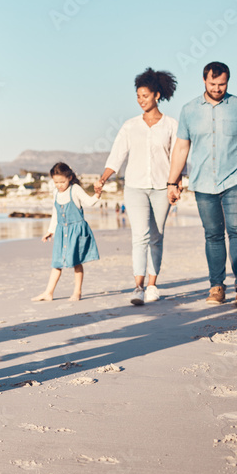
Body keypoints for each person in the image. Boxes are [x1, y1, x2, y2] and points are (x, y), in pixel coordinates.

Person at [167, 62, 237, 307]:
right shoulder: (189, 110)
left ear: (228, 81)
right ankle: (216, 286)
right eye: (213, 84)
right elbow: (181, 147)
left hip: (236, 179)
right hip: (203, 183)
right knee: (213, 235)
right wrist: (172, 181)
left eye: (222, 84)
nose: (217, 88)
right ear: (204, 80)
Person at [95, 68, 178, 306]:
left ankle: (153, 285)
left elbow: (177, 157)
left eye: (145, 95)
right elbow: (117, 155)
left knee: (156, 236)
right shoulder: (130, 126)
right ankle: (138, 287)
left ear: (157, 95)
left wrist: (177, 183)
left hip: (163, 188)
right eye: (138, 96)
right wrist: (103, 179)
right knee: (140, 235)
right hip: (135, 187)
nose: (141, 100)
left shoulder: (171, 125)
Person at [33, 162, 101, 302]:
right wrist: (50, 231)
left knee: (76, 262)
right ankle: (48, 292)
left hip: (76, 231)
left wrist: (97, 195)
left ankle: (77, 292)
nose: (59, 185)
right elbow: (55, 213)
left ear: (69, 177)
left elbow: (89, 202)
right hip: (60, 231)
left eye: (62, 181)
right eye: (56, 182)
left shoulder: (75, 189)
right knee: (57, 262)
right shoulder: (55, 192)